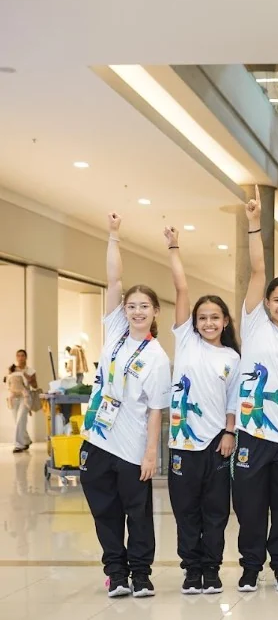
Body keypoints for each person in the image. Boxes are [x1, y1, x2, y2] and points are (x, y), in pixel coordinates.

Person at [80, 212, 172, 598]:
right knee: (105, 512)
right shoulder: (116, 332)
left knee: (138, 514)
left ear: (155, 312)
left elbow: (155, 411)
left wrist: (151, 453)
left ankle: (141, 574)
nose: (136, 311)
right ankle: (116, 573)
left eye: (144, 306)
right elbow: (114, 280)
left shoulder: (157, 357)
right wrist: (113, 235)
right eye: (131, 306)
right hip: (97, 439)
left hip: (133, 447)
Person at [232, 186, 278, 594]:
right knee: (249, 508)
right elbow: (258, 271)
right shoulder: (255, 323)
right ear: (266, 303)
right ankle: (250, 567)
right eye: (277, 299)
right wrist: (254, 223)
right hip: (252, 434)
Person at [163, 226, 241, 595]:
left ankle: (212, 569)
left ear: (225, 321)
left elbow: (233, 401)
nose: (209, 323)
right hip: (182, 444)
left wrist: (229, 432)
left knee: (216, 513)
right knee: (185, 512)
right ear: (194, 322)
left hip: (215, 445)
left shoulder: (232, 357)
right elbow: (181, 289)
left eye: (215, 317)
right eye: (203, 317)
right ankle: (191, 570)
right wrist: (174, 247)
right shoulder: (187, 343)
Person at [6, 349, 37, 453]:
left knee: (20, 420)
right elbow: (8, 382)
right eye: (18, 355)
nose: (20, 358)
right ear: (16, 357)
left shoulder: (30, 371)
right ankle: (26, 440)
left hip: (25, 397)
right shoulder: (12, 369)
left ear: (26, 357)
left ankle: (18, 445)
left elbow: (35, 386)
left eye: (22, 355)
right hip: (13, 397)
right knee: (18, 421)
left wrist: (29, 379)